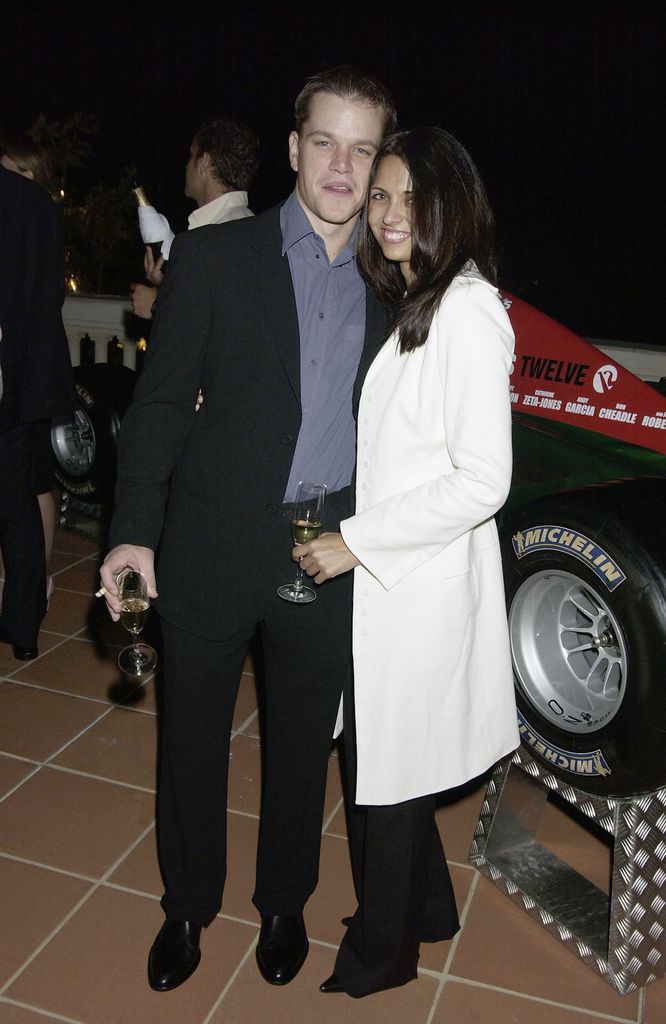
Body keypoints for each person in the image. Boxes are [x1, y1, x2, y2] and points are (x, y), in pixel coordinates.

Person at [99, 66, 396, 993]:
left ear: (380, 160)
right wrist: (131, 531)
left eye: (363, 148)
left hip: (328, 549)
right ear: (298, 145)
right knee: (190, 734)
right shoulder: (217, 259)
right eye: (326, 142)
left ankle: (283, 904)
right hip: (213, 539)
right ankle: (187, 905)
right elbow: (155, 409)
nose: (342, 166)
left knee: (303, 744)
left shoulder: (399, 288)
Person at [296, 126, 520, 997]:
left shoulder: (466, 310)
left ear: (450, 206)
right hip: (398, 582)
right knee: (389, 757)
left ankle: (382, 957)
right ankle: (425, 908)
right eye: (380, 196)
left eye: (408, 198)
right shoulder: (422, 300)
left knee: (383, 776)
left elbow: (484, 480)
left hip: (416, 587)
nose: (388, 215)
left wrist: (358, 540)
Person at [0, 162, 75, 659]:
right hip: (26, 378)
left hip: (15, 374)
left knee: (17, 502)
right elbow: (50, 292)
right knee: (17, 502)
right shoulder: (36, 201)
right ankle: (23, 626)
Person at [0, 137, 59, 607]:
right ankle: (27, 598)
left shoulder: (36, 211)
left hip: (29, 382)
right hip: (26, 380)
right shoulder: (35, 212)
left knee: (31, 487)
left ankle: (34, 588)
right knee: (22, 491)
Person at [130, 115, 260, 320]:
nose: (186, 166)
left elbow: (224, 324)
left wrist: (157, 306)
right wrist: (167, 283)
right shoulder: (248, 226)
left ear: (204, 162)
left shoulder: (219, 235)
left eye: (191, 156)